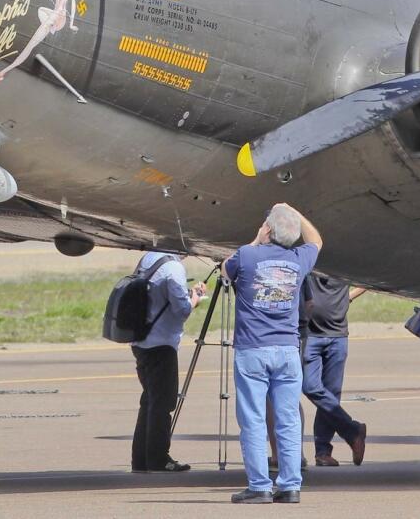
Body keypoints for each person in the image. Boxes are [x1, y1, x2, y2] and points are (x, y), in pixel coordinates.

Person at [224, 203, 321, 505]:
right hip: (288, 349)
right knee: (288, 419)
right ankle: (291, 485)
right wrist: (295, 213)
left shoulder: (248, 254)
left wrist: (256, 239)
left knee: (253, 419)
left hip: (253, 349)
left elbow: (226, 270)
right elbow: (316, 240)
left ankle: (259, 485)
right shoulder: (298, 258)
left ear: (267, 229)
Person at [130, 251, 206, 474]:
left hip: (141, 340)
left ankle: (141, 459)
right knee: (163, 404)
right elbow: (181, 310)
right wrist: (196, 298)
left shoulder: (149, 258)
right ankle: (158, 458)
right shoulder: (174, 268)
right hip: (161, 344)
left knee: (150, 401)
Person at [301, 273, 367, 467]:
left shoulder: (344, 262)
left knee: (331, 393)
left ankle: (322, 451)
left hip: (338, 335)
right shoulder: (312, 258)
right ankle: (352, 430)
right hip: (311, 334)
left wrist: (349, 297)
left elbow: (369, 280)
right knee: (310, 387)